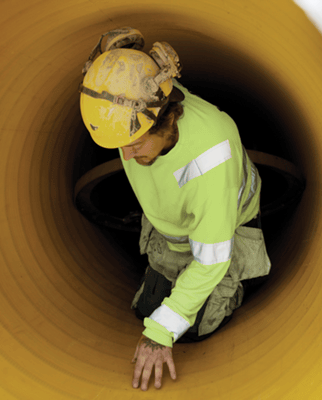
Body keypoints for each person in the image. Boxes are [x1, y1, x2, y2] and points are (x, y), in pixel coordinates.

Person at [78, 27, 272, 391]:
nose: (126, 156)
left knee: (191, 332)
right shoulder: (135, 110)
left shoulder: (211, 160)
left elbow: (212, 259)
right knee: (143, 311)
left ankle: (240, 287)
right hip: (173, 231)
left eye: (135, 144)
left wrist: (160, 334)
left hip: (220, 240)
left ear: (167, 119)